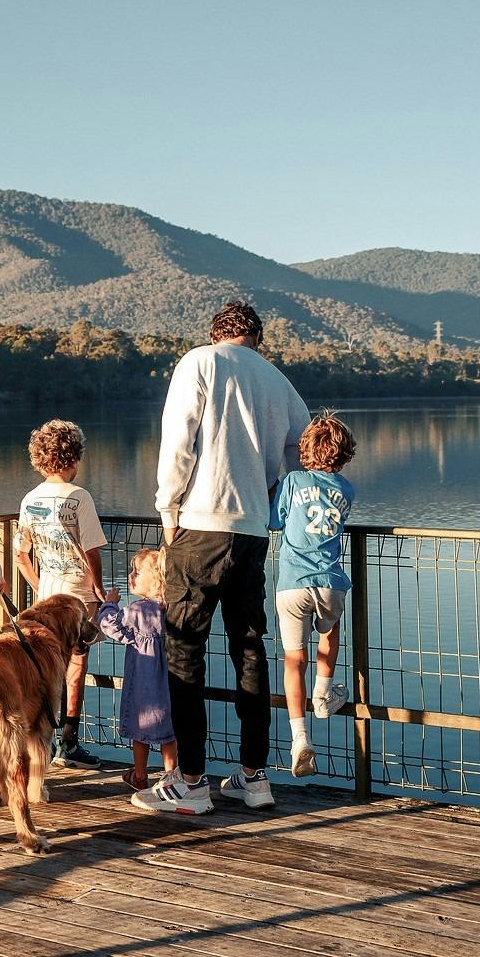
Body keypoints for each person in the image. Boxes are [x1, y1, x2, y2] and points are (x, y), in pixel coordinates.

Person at [134, 301, 310, 816]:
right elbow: (304, 447)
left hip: (201, 525)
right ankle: (254, 778)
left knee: (184, 651)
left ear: (216, 333)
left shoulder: (200, 362)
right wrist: (274, 493)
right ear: (257, 337)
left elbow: (179, 441)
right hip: (253, 532)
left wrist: (167, 509)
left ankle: (191, 782)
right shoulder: (277, 381)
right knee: (249, 651)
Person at [14, 418, 109, 768]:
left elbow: (21, 554)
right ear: (74, 458)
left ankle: (42, 739)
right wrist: (98, 590)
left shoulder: (30, 499)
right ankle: (69, 742)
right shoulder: (78, 497)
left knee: (45, 667)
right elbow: (92, 550)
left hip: (47, 599)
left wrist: (41, 587)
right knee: (76, 666)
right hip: (78, 600)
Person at [272, 413, 357, 778]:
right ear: (344, 454)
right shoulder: (347, 489)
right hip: (330, 582)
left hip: (291, 584)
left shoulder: (292, 481)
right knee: (330, 630)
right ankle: (323, 695)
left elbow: (275, 521)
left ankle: (299, 737)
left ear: (304, 450)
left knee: (294, 659)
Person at [95, 548, 178, 790]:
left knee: (139, 732)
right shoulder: (172, 609)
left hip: (142, 683)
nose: (130, 575)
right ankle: (171, 778)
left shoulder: (138, 611)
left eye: (137, 572)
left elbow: (110, 626)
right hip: (169, 684)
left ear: (155, 580)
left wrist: (109, 605)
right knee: (170, 734)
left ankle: (140, 776)